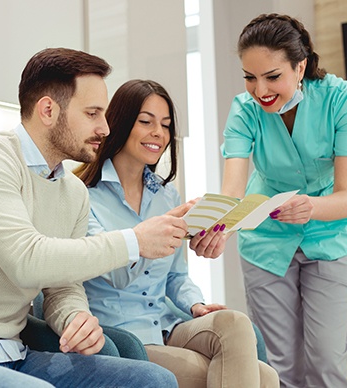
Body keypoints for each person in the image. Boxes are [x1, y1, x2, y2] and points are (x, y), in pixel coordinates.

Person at [0, 47, 185, 387]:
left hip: (14, 352)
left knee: (153, 380)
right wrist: (134, 241)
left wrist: (75, 317)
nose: (105, 128)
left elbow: (62, 286)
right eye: (92, 113)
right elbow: (27, 260)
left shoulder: (72, 192)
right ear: (48, 109)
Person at [75, 79, 280, 388]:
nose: (159, 133)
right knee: (263, 378)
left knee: (236, 323)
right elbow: (115, 274)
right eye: (146, 121)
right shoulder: (83, 196)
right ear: (119, 123)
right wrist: (153, 234)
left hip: (168, 326)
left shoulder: (166, 196)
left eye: (166, 125)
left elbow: (176, 277)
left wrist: (196, 305)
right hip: (123, 336)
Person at [220, 14, 347, 388]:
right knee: (277, 367)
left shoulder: (341, 99)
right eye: (250, 77)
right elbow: (232, 192)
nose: (260, 90)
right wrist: (216, 223)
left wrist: (310, 208)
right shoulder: (244, 109)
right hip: (266, 240)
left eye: (272, 77)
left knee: (326, 363)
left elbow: (346, 198)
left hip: (331, 234)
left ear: (300, 65)